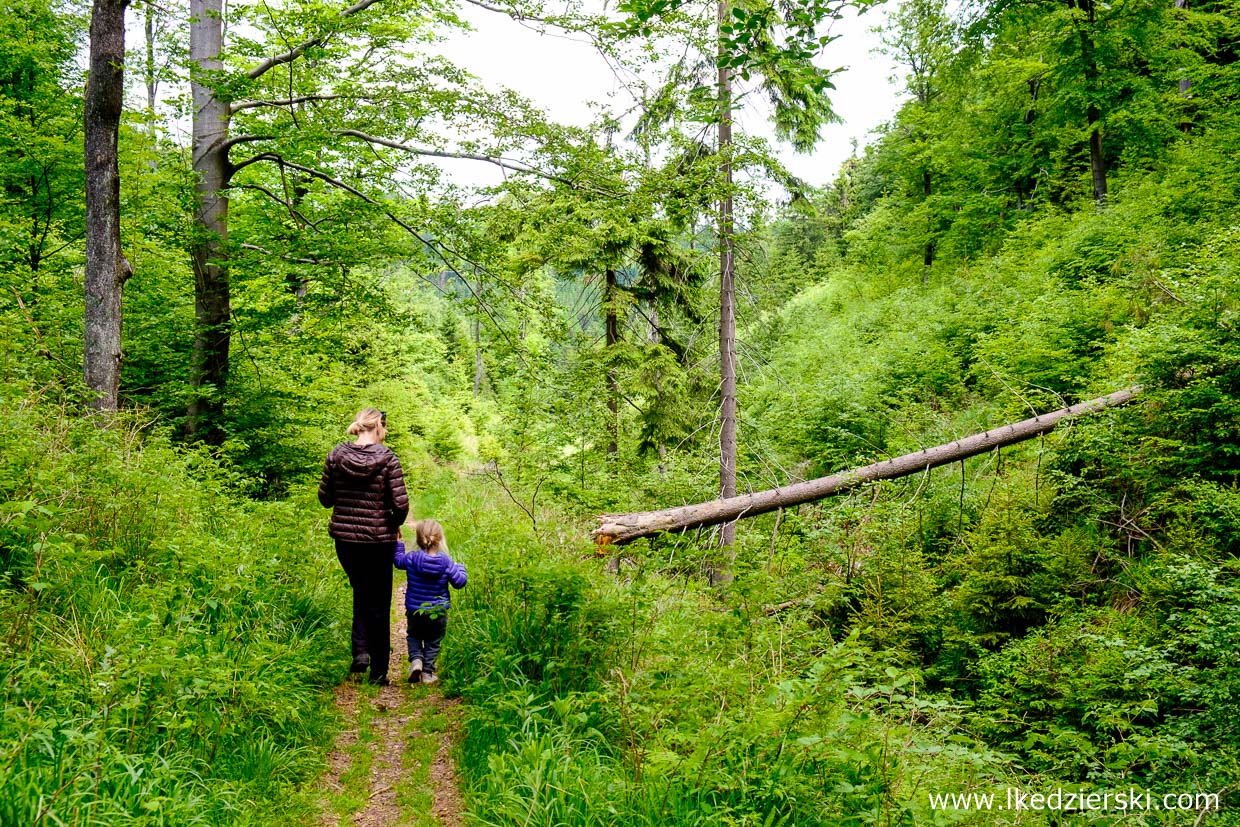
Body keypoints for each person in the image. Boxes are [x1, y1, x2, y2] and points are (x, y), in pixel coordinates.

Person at [319, 407, 408, 686]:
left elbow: (325, 499)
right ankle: (379, 672)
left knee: (362, 590)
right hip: (378, 541)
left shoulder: (336, 455)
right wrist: (392, 524)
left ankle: (360, 652)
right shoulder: (388, 458)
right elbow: (400, 505)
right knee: (379, 601)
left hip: (346, 542)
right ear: (379, 426)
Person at [394, 519, 467, 685]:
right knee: (433, 640)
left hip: (415, 610)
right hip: (438, 612)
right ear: (439, 539)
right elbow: (460, 582)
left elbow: (398, 561)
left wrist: (398, 543)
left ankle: (416, 661)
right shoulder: (446, 562)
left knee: (414, 635)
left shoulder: (412, 559)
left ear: (419, 539)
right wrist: (461, 567)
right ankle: (427, 672)